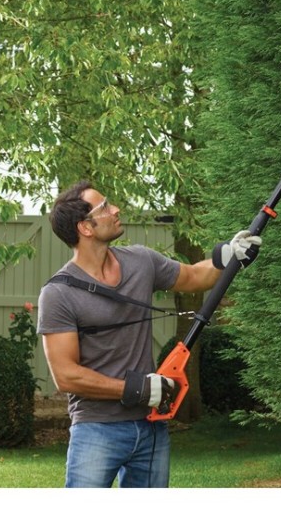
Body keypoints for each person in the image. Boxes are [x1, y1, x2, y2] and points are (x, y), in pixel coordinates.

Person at [36, 180, 261, 488]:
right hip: (96, 429)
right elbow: (66, 376)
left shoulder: (140, 261)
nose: (116, 210)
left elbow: (195, 276)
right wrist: (137, 389)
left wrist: (230, 256)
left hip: (150, 425)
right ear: (85, 227)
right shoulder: (59, 293)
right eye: (105, 207)